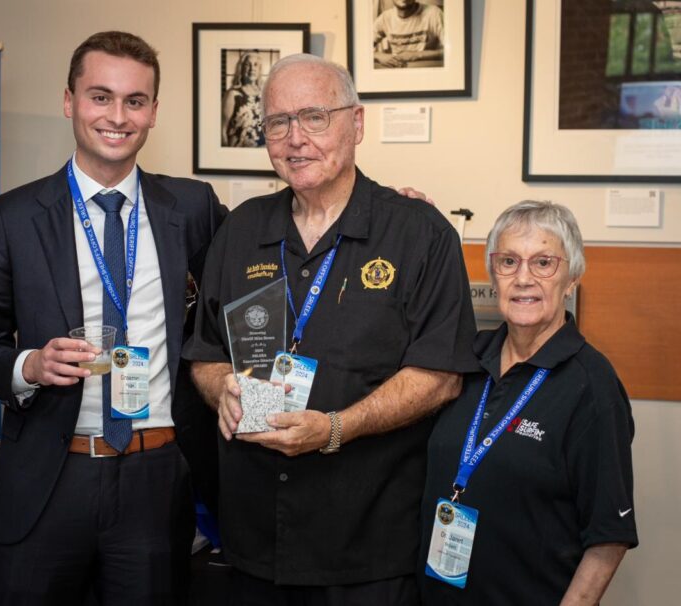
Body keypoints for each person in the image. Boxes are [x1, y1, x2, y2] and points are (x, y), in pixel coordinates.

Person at [183, 53, 477, 604]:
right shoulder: (241, 229)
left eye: (315, 116)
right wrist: (219, 384)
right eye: (278, 122)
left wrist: (336, 428)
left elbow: (440, 376)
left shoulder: (419, 233)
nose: (296, 139)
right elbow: (203, 353)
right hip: (252, 543)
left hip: (366, 549)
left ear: (357, 123)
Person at [0, 31, 226, 605]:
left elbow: (270, 247)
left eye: (135, 100)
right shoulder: (13, 216)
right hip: (50, 478)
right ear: (69, 101)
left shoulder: (194, 207)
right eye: (100, 96)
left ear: (154, 111)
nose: (117, 115)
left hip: (156, 479)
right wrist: (29, 365)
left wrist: (389, 213)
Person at [418, 201, 638, 605]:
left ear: (571, 278)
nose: (523, 278)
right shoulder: (466, 361)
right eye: (508, 262)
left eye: (543, 263)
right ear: (492, 275)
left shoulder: (592, 386)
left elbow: (608, 537)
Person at [374, 0, 444, 69]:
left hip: (427, 72)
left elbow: (452, 51)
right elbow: (363, 49)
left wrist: (417, 55)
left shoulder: (434, 13)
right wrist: (379, 56)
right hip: (399, 71)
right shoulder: (385, 18)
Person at [221, 51, 266, 147]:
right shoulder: (232, 94)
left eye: (255, 65)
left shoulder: (265, 94)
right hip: (239, 150)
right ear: (241, 68)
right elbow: (222, 130)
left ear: (259, 70)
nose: (252, 69)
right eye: (247, 65)